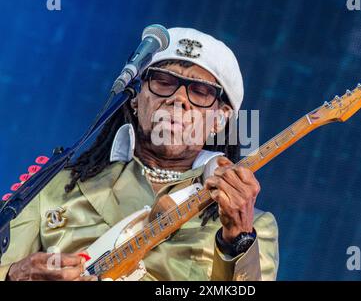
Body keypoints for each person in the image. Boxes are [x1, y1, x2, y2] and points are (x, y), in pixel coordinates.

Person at [0, 27, 279, 281]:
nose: (178, 99)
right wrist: (15, 275)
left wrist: (237, 240)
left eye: (200, 92)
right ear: (135, 98)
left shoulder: (252, 224)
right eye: (164, 82)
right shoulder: (53, 187)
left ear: (220, 120)